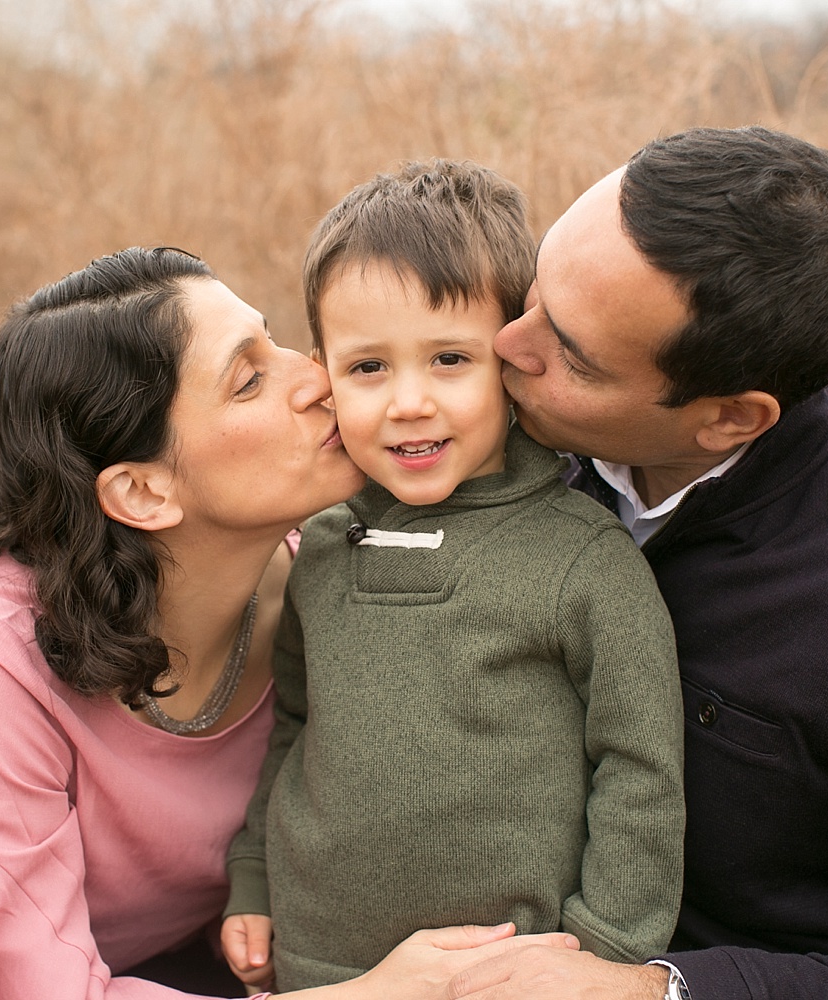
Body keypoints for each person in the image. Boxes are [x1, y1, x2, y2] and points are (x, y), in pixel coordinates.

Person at [0, 247, 578, 1000]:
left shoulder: (334, 575)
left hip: (150, 964)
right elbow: (12, 985)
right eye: (248, 379)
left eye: (277, 339)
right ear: (143, 491)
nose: (319, 375)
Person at [446, 126, 828, 1000]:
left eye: (574, 355)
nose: (508, 343)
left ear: (729, 420)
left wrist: (654, 992)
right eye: (537, 290)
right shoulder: (489, 435)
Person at [220, 161, 685, 994]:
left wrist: (602, 952)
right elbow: (293, 722)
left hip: (513, 978)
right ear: (324, 369)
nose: (408, 402)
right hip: (322, 973)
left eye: (448, 360)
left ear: (511, 358)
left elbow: (640, 770)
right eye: (368, 368)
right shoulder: (323, 546)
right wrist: (252, 876)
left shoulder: (583, 562)